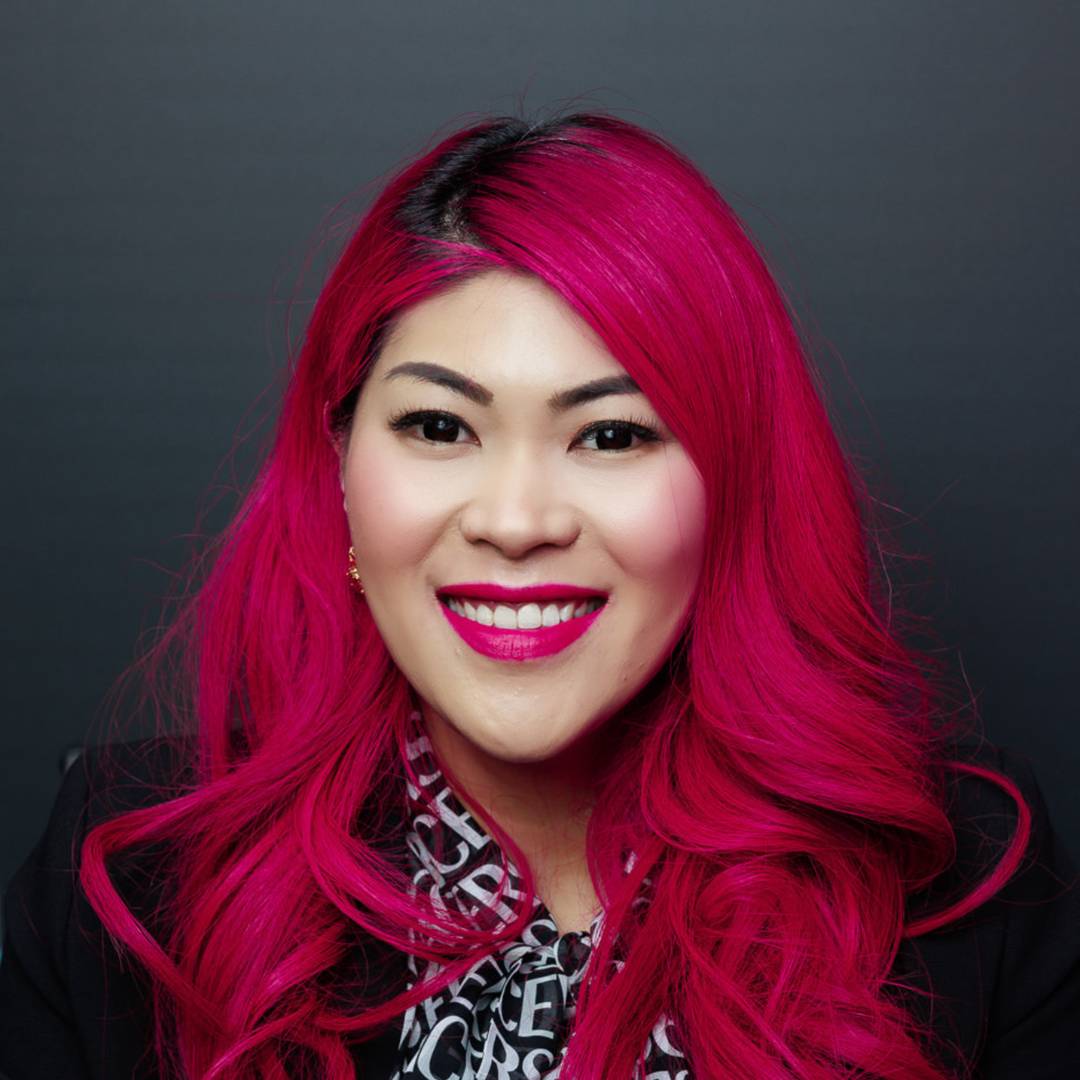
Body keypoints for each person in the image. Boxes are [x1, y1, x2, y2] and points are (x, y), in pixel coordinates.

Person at [1, 109, 1078, 1080]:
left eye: (610, 435)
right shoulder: (128, 877)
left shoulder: (970, 884)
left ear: (730, 486)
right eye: (438, 427)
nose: (516, 522)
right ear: (337, 470)